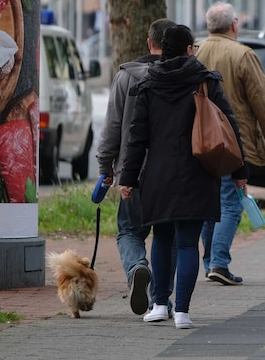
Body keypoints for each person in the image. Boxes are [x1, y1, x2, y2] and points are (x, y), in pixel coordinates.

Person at [119, 25, 247, 329]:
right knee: (188, 243)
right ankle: (183, 313)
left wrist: (128, 177)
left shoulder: (148, 84)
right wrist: (240, 172)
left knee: (161, 239)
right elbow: (229, 127)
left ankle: (160, 304)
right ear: (190, 49)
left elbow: (138, 137)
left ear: (162, 49)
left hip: (158, 175)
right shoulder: (206, 81)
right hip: (197, 174)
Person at [195, 2, 265, 285]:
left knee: (209, 203)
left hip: (199, 140)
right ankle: (219, 262)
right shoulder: (243, 54)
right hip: (233, 140)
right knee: (230, 202)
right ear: (234, 25)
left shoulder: (195, 51)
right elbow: (264, 104)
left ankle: (210, 262)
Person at [96, 18, 176, 315]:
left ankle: (137, 267)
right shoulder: (181, 75)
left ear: (148, 41)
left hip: (134, 172)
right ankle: (162, 300)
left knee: (130, 231)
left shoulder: (126, 76)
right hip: (171, 173)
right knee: (168, 237)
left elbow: (113, 126)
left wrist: (106, 167)